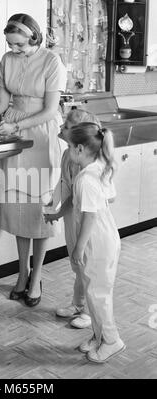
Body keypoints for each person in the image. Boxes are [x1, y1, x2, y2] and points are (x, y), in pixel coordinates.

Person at [0, 13, 67, 306]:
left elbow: (49, 111)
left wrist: (16, 126)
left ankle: (36, 278)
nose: (15, 49)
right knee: (19, 209)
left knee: (40, 210)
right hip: (12, 134)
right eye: (10, 44)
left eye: (20, 44)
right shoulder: (7, 60)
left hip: (41, 136)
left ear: (34, 37)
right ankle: (21, 274)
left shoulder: (52, 62)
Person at [59, 122, 125, 363]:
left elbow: (90, 216)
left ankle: (111, 340)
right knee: (93, 291)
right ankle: (99, 337)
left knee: (98, 294)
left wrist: (77, 247)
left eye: (68, 146)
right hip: (99, 241)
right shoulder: (96, 167)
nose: (67, 151)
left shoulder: (86, 179)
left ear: (78, 149)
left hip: (97, 243)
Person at [44, 109, 116, 329]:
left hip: (88, 224)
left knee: (87, 267)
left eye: (68, 125)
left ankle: (87, 312)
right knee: (78, 266)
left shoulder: (93, 168)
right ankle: (78, 304)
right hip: (73, 218)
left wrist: (80, 206)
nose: (62, 127)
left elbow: (104, 199)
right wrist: (55, 208)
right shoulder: (69, 155)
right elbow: (66, 186)